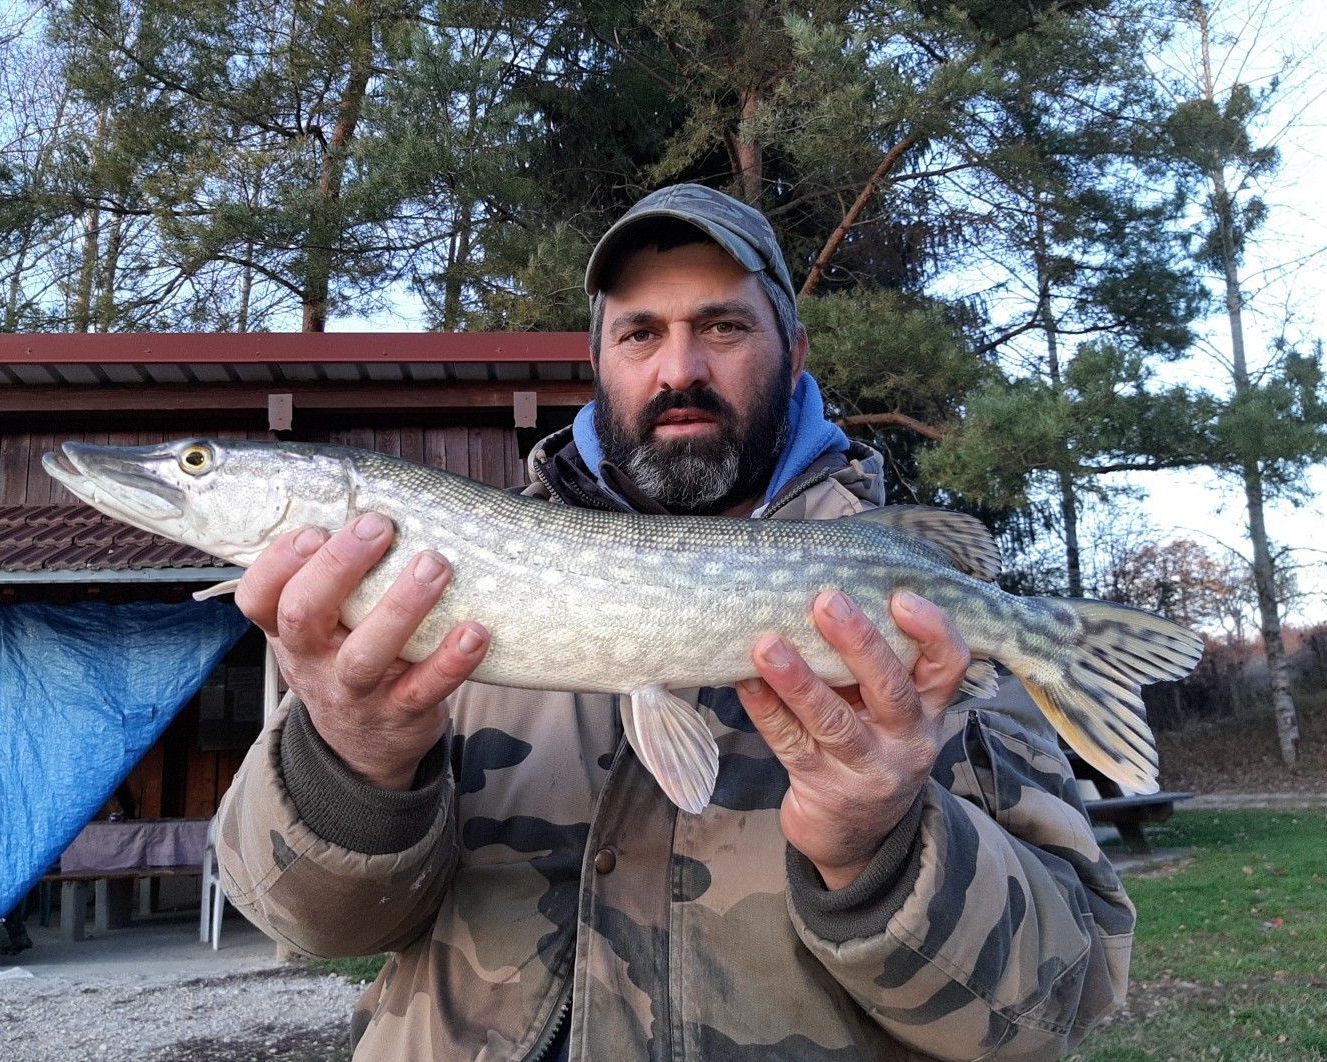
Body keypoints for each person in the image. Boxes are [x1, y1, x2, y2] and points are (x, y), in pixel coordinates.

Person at [215, 185, 1133, 1060]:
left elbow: (1059, 1004)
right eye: (640, 332)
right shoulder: (426, 595)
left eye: (723, 326)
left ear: (795, 352)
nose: (680, 367)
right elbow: (312, 927)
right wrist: (352, 759)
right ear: (599, 362)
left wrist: (881, 846)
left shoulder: (918, 632)